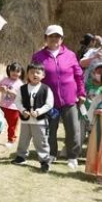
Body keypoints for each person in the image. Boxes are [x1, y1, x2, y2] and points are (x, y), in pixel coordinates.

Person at [31, 25, 85, 170]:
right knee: (50, 129)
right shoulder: (38, 56)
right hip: (49, 101)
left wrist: (81, 93)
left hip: (69, 99)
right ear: (45, 38)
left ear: (61, 39)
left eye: (57, 36)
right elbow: (34, 77)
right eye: (51, 36)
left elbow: (78, 75)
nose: (54, 39)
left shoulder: (71, 55)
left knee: (73, 129)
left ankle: (73, 156)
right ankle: (51, 154)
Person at [10, 63, 55, 172]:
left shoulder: (46, 89)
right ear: (27, 75)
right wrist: (23, 110)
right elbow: (17, 101)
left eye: (38, 73)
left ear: (43, 75)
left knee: (41, 141)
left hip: (40, 121)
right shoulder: (22, 88)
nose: (34, 75)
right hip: (26, 120)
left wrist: (39, 112)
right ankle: (21, 157)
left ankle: (44, 161)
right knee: (23, 139)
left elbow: (49, 104)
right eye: (31, 72)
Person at [0, 62, 24, 147]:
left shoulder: (20, 84)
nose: (15, 73)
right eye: (13, 71)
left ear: (20, 73)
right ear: (9, 70)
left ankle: (11, 140)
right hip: (2, 105)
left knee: (12, 125)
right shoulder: (5, 80)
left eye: (17, 71)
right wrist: (1, 88)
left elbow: (21, 96)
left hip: (14, 108)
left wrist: (12, 92)